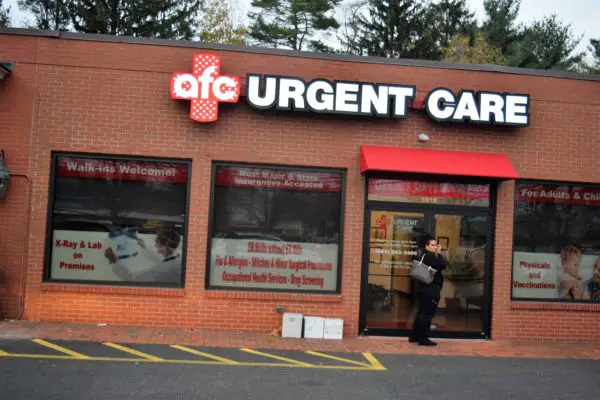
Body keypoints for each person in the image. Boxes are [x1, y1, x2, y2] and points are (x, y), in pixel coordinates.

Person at [104, 226, 182, 284]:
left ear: (165, 244)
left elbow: (133, 279)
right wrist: (144, 247)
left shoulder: (162, 269)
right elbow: (161, 261)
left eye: (157, 241)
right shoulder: (177, 259)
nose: (155, 245)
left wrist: (115, 261)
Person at [409, 235, 447, 346]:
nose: (435, 247)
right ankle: (423, 338)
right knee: (427, 314)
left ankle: (414, 336)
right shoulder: (430, 256)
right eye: (433, 245)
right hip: (430, 289)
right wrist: (439, 254)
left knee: (422, 313)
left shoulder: (424, 255)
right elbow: (442, 265)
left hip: (424, 288)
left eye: (436, 245)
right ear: (427, 246)